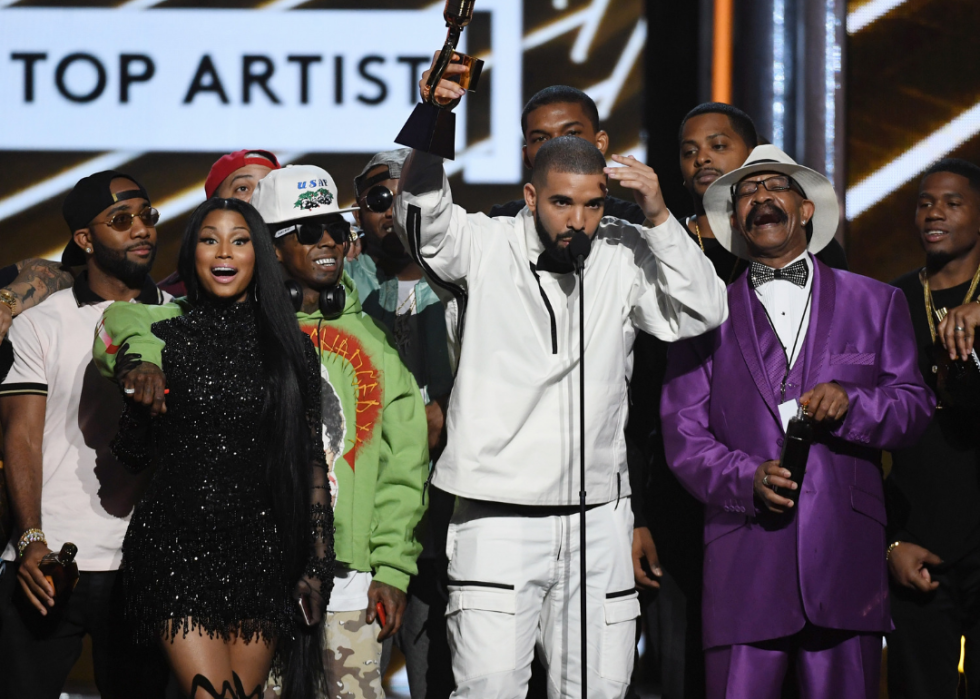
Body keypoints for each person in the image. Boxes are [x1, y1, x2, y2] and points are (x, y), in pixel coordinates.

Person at [397, 59, 728, 699]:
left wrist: (659, 215)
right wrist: (438, 118)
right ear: (530, 195)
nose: (576, 220)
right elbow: (422, 215)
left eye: (591, 204)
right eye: (560, 203)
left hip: (596, 521)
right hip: (495, 520)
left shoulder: (628, 249)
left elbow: (702, 311)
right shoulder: (485, 245)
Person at [97, 165, 430, 699]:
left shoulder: (353, 340)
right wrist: (140, 364)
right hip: (190, 555)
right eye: (307, 230)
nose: (327, 242)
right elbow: (125, 323)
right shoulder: (172, 328)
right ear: (275, 248)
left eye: (335, 230)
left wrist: (387, 565)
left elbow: (398, 460)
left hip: (307, 571)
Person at [660, 144, 934, 698]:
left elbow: (914, 407)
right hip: (744, 560)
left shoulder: (876, 302)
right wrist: (746, 478)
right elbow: (683, 435)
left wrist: (856, 404)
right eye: (746, 193)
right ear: (735, 220)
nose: (760, 198)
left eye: (775, 187)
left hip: (845, 561)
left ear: (805, 210)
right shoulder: (702, 311)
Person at [628, 102, 853, 699]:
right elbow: (641, 395)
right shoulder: (653, 251)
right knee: (692, 669)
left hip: (801, 504)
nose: (701, 157)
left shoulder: (822, 265)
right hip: (686, 495)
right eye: (688, 149)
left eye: (718, 145)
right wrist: (638, 511)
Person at [92, 196, 333, 698]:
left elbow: (310, 460)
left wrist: (315, 567)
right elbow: (134, 458)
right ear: (192, 254)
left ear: (258, 253)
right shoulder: (162, 336)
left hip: (263, 555)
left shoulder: (291, 348)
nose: (224, 251)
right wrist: (139, 405)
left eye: (239, 240)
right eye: (209, 239)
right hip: (176, 548)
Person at [0, 171, 171, 698]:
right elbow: (20, 438)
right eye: (121, 220)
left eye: (147, 215)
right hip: (47, 563)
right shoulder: (41, 322)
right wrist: (30, 541)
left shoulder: (178, 317)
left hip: (145, 565)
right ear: (85, 239)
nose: (141, 229)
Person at [348, 149, 455, 699]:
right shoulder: (337, 290)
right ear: (358, 212)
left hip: (451, 530)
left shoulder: (476, 279)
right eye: (377, 197)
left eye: (406, 194)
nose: (392, 208)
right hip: (363, 535)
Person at [886, 158, 980, 698]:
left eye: (952, 201)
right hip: (917, 544)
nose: (934, 212)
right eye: (924, 202)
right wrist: (888, 542)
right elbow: (858, 440)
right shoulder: (889, 302)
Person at [488, 85, 645, 225]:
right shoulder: (500, 226)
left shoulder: (637, 225)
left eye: (571, 133)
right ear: (526, 156)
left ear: (600, 144)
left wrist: (658, 217)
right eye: (541, 138)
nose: (559, 147)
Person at [157, 149, 281, 297]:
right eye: (242, 189)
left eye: (267, 189)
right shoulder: (168, 299)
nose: (258, 198)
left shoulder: (299, 281)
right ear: (213, 205)